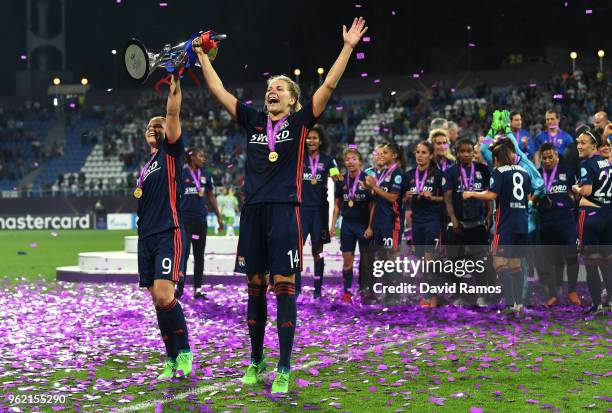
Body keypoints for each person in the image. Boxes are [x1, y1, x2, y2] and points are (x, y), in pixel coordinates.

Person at [193, 16, 368, 393]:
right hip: (253, 212)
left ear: (292, 98)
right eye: (269, 87)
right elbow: (218, 90)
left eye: (279, 89)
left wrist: (348, 48)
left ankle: (285, 367)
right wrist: (201, 56)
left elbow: (330, 84)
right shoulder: (254, 120)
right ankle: (255, 361)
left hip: (286, 211)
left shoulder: (303, 121)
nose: (271, 91)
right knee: (254, 287)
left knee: (283, 286)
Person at [135, 75, 193, 379]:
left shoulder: (171, 152)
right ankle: (170, 358)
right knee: (158, 302)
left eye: (155, 126)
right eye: (147, 127)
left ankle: (184, 351)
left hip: (168, 232)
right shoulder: (147, 166)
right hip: (146, 238)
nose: (151, 129)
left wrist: (175, 90)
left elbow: (172, 113)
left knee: (164, 295)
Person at [465, 139, 531, 313]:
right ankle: (519, 304)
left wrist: (471, 193)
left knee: (499, 263)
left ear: (496, 159)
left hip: (506, 224)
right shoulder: (524, 171)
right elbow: (529, 196)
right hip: (522, 223)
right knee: (516, 265)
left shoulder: (499, 172)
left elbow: (491, 195)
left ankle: (509, 304)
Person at [443, 138, 494, 307]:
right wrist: (453, 219)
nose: (466, 154)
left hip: (478, 224)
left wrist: (489, 212)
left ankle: (481, 296)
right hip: (458, 224)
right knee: (456, 260)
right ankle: (458, 296)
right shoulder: (450, 172)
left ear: (474, 152)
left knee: (479, 261)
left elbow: (488, 193)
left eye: (469, 151)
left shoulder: (483, 170)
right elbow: (448, 199)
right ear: (456, 153)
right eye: (462, 151)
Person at [572, 126, 612, 313]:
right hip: (608, 216)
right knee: (607, 261)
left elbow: (586, 191)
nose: (579, 146)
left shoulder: (586, 165)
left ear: (594, 146)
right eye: (578, 142)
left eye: (583, 143)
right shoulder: (607, 163)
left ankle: (596, 304)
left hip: (592, 218)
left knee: (591, 263)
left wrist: (576, 189)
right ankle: (609, 302)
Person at [175, 148, 224, 300]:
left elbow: (210, 195)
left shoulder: (206, 174)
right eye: (201, 156)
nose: (204, 158)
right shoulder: (181, 173)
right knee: (184, 255)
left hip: (200, 222)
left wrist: (219, 217)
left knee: (199, 255)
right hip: (185, 221)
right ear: (192, 158)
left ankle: (197, 289)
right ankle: (180, 287)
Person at [535, 143, 580, 306]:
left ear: (557, 157)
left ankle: (572, 291)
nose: (547, 160)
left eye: (550, 157)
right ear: (540, 159)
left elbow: (576, 193)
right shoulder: (537, 175)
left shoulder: (567, 171)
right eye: (544, 158)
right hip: (546, 222)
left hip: (566, 220)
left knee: (572, 256)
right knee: (550, 260)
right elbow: (531, 199)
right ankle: (553, 294)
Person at [298, 125, 339, 298]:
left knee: (318, 250)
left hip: (320, 212)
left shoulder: (329, 160)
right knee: (297, 249)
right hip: (301, 210)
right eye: (308, 138)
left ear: (320, 141)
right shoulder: (299, 158)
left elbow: (337, 178)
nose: (311, 141)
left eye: (314, 138)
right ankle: (296, 289)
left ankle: (317, 290)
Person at [330, 146, 374, 303]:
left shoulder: (368, 179)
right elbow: (337, 204)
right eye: (347, 159)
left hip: (363, 225)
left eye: (354, 159)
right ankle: (347, 292)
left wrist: (370, 227)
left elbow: (372, 205)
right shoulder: (341, 181)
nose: (350, 162)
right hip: (347, 225)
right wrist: (333, 225)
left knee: (366, 262)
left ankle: (365, 290)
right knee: (347, 262)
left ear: (360, 161)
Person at [403, 141, 444, 307]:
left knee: (429, 259)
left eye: (424, 152)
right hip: (417, 221)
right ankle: (430, 291)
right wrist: (407, 195)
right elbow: (403, 198)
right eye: (418, 152)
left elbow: (446, 199)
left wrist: (432, 197)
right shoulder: (409, 175)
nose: (420, 155)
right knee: (421, 259)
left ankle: (430, 295)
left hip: (433, 220)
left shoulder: (438, 175)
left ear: (431, 155)